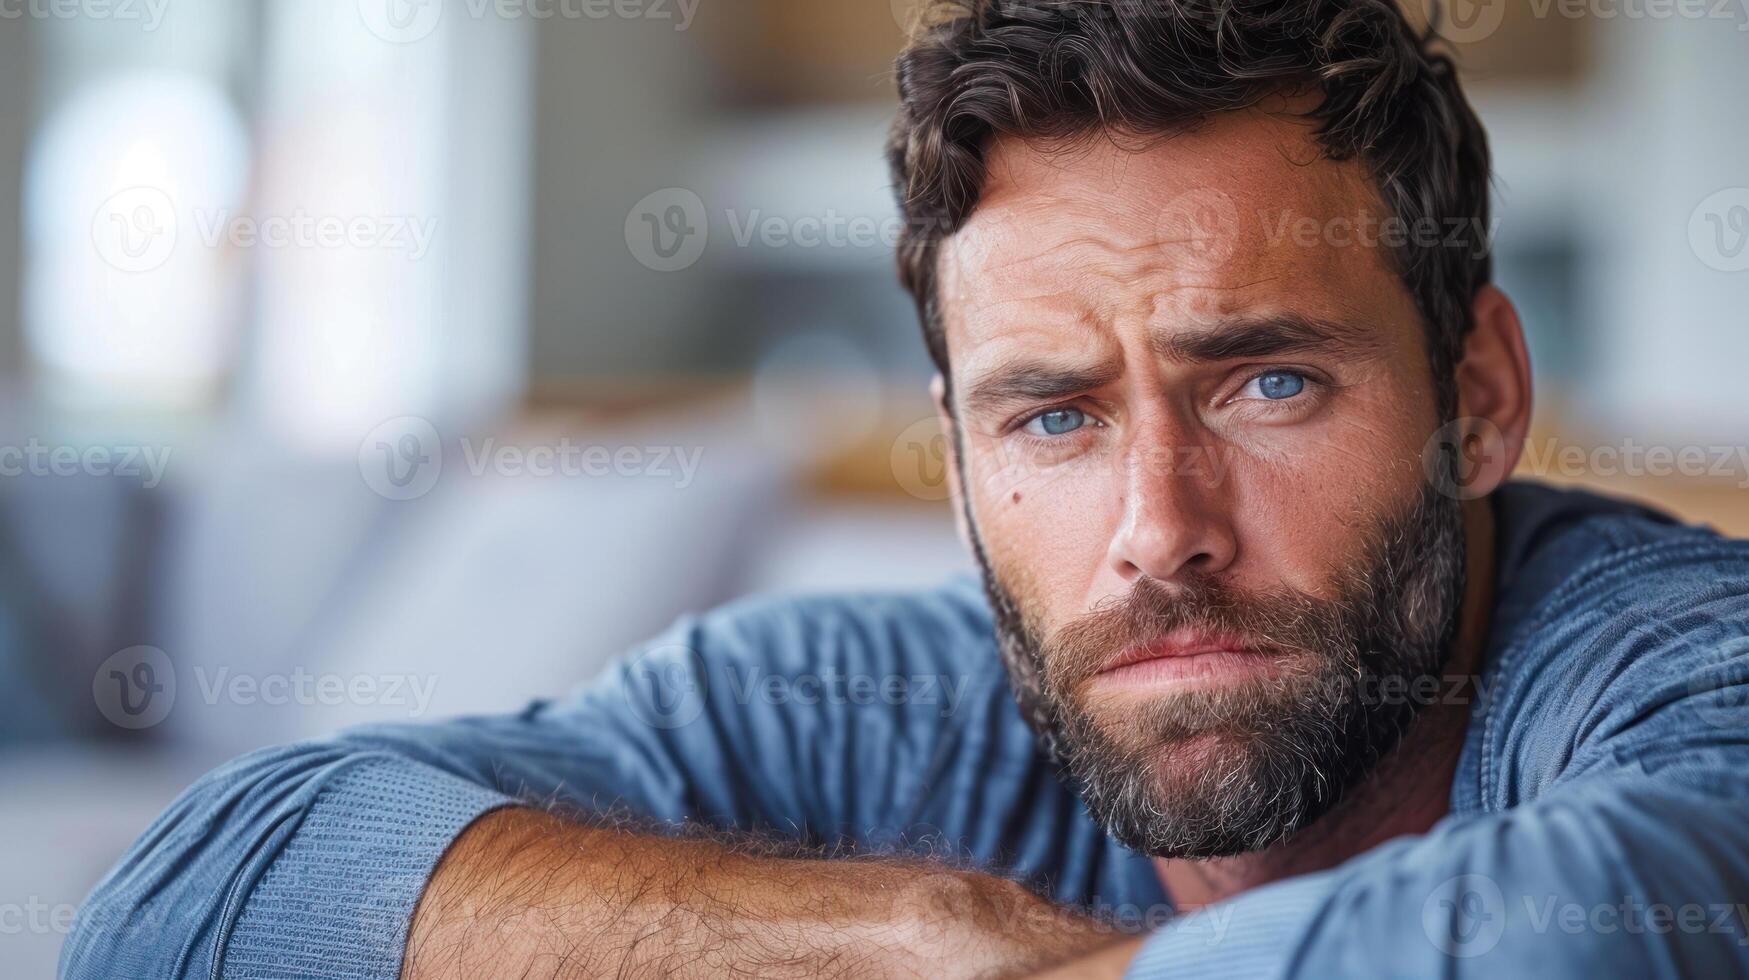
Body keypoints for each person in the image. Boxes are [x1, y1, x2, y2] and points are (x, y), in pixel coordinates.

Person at [61, 1, 1749, 977]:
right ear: (952, 462)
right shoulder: (857, 709)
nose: (1160, 528)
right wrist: (928, 934)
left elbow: (1591, 932)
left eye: (1268, 382)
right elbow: (189, 899)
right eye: (1052, 420)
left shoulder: (1672, 657)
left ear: (1477, 398)